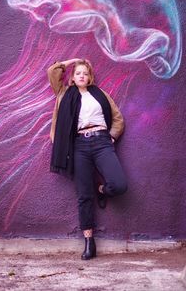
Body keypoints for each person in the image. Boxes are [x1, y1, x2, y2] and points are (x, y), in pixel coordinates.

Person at [47, 58, 127, 260]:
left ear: (90, 77)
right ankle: (89, 242)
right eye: (78, 73)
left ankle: (101, 189)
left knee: (119, 184)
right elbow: (53, 71)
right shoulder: (64, 93)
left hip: (102, 142)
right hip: (79, 146)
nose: (82, 75)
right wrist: (76, 61)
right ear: (72, 78)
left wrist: (111, 136)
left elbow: (118, 119)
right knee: (84, 195)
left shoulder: (101, 95)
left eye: (85, 73)